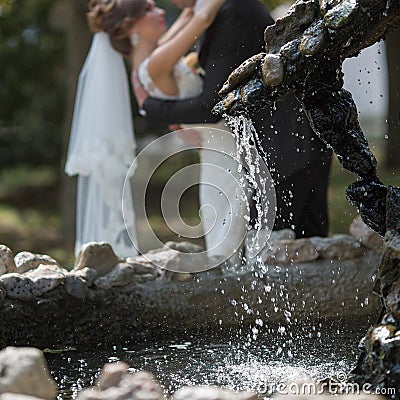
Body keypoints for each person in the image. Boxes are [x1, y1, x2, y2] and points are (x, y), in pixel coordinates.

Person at [134, 0, 332, 240]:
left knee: (274, 254)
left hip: (286, 149)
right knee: (303, 249)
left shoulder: (233, 13)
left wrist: (151, 107)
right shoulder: (215, 12)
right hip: (292, 143)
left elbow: (211, 106)